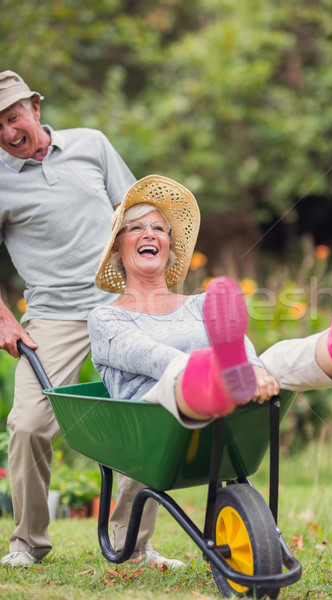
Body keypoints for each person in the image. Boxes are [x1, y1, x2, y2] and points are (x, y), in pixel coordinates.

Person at [0, 71, 182, 568]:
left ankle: (134, 545)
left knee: (150, 413)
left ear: (35, 108)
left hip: (122, 306)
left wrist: (157, 284)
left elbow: (137, 211)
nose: (9, 132)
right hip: (54, 316)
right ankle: (28, 543)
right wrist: (4, 320)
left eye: (14, 117)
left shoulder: (91, 145)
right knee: (29, 425)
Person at [88, 174, 332, 434]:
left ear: (169, 245)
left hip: (221, 408)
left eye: (159, 228)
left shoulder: (200, 304)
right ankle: (221, 376)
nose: (150, 234)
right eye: (137, 227)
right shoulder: (106, 318)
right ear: (117, 245)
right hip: (154, 421)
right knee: (176, 374)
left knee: (281, 357)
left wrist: (250, 369)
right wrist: (226, 371)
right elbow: (155, 358)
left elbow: (240, 349)